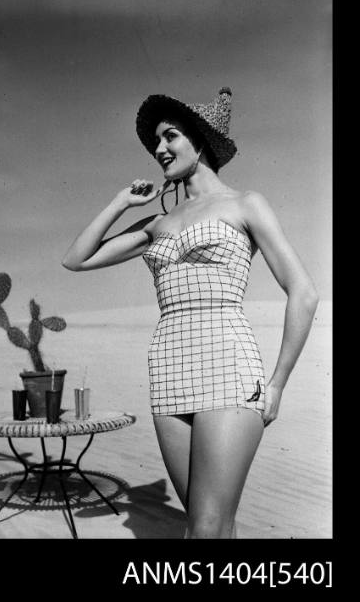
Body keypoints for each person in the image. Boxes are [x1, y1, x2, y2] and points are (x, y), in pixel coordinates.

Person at [61, 87, 318, 538]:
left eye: (170, 137)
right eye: (156, 142)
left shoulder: (245, 204)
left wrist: (277, 383)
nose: (159, 149)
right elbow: (77, 259)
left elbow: (303, 292)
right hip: (168, 369)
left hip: (229, 365)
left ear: (200, 141)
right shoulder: (158, 223)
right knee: (211, 525)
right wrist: (123, 203)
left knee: (205, 527)